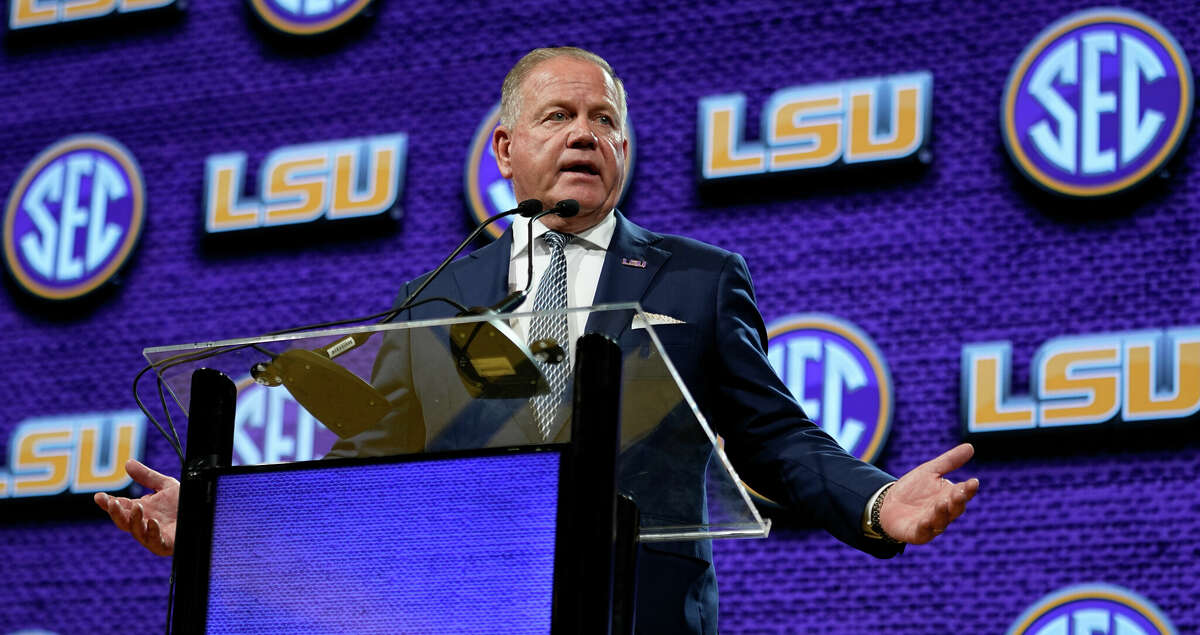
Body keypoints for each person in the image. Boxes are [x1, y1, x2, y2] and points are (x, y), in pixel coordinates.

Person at [97, 47, 979, 634]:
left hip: (641, 613)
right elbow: (367, 468)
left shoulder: (697, 279)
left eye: (605, 120)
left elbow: (774, 435)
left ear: (625, 149)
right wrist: (226, 525)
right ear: (505, 148)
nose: (587, 133)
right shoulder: (440, 295)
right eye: (560, 116)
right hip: (470, 608)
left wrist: (875, 500)